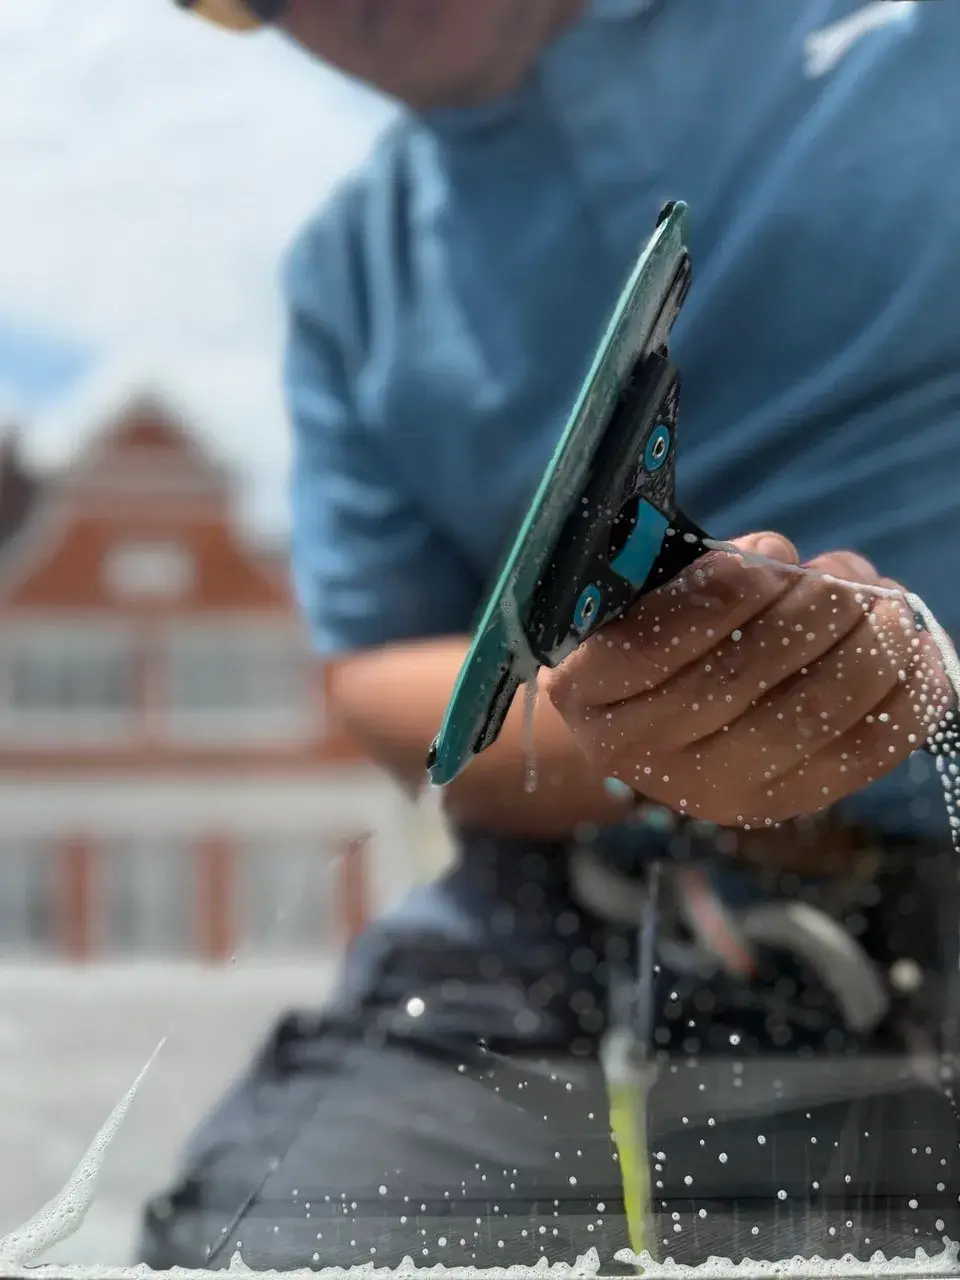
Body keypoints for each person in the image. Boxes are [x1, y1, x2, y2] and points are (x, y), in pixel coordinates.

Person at [144, 0, 960, 1269]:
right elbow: (376, 674)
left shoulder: (920, 44)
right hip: (557, 932)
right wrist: (634, 737)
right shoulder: (349, 273)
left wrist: (912, 680)